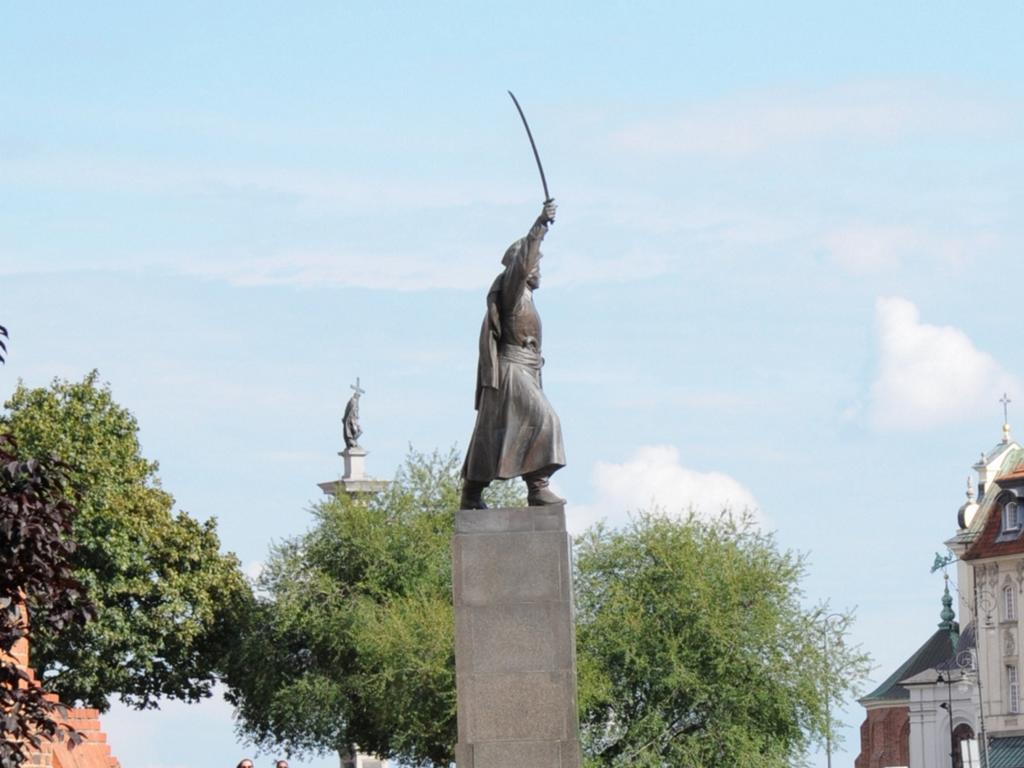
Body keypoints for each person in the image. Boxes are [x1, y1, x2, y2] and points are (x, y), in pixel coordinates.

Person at [461, 200, 565, 509]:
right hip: (510, 370)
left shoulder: (527, 299)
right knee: (545, 419)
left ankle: (474, 492)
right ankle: (537, 485)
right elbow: (520, 264)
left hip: (526, 371)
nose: (538, 269)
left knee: (495, 432)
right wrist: (540, 227)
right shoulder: (513, 290)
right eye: (536, 263)